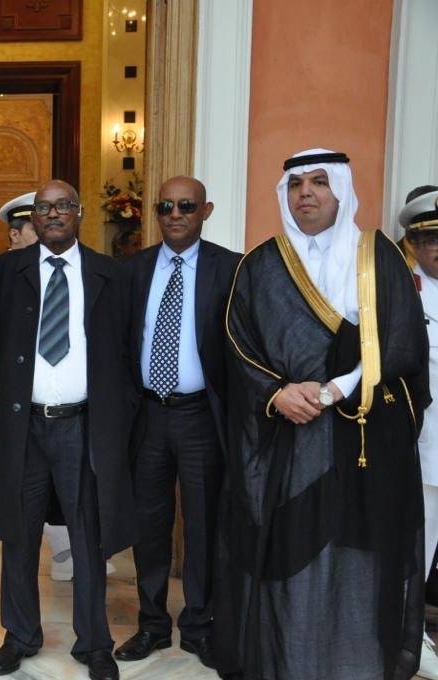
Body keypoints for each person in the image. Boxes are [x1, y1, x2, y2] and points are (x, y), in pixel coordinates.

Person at [216, 149, 430, 680]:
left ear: (341, 191)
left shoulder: (378, 257)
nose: (305, 193)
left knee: (358, 550)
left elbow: (402, 342)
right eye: (295, 185)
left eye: (318, 182)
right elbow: (236, 346)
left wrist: (335, 389)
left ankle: (352, 661)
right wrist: (277, 393)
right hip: (286, 436)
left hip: (362, 437)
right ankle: (288, 660)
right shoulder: (261, 263)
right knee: (290, 548)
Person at [0, 179, 136, 680]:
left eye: (64, 205)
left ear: (80, 212)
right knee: (18, 535)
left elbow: (126, 357)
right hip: (23, 427)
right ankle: (19, 635)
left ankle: (95, 642)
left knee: (89, 536)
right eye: (45, 209)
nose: (54, 215)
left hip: (82, 426)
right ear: (34, 220)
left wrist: (118, 430)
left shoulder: (109, 274)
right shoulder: (6, 272)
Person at [114, 176, 239, 670]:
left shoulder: (230, 268)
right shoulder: (133, 270)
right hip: (147, 414)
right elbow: (119, 342)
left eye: (186, 205)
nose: (175, 213)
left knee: (204, 522)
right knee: (149, 524)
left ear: (205, 210)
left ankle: (199, 624)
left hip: (200, 416)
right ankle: (151, 624)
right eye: (166, 205)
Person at [0, 191, 75, 581]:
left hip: (46, 398)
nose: (18, 236)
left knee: (47, 475)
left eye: (23, 227)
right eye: (22, 228)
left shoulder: (70, 268)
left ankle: (65, 553)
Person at [399, 186, 438, 680]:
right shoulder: (404, 293)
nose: (437, 248)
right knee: (418, 549)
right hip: (425, 445)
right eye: (428, 240)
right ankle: (412, 641)